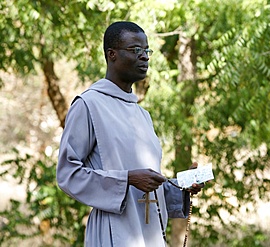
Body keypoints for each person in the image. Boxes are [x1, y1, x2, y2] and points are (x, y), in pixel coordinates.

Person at [56, 21, 203, 247]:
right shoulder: (89, 105)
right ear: (112, 54)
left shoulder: (142, 114)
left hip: (150, 232)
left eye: (146, 51)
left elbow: (147, 188)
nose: (144, 56)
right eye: (136, 50)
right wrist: (128, 179)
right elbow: (68, 174)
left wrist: (180, 187)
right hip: (113, 231)